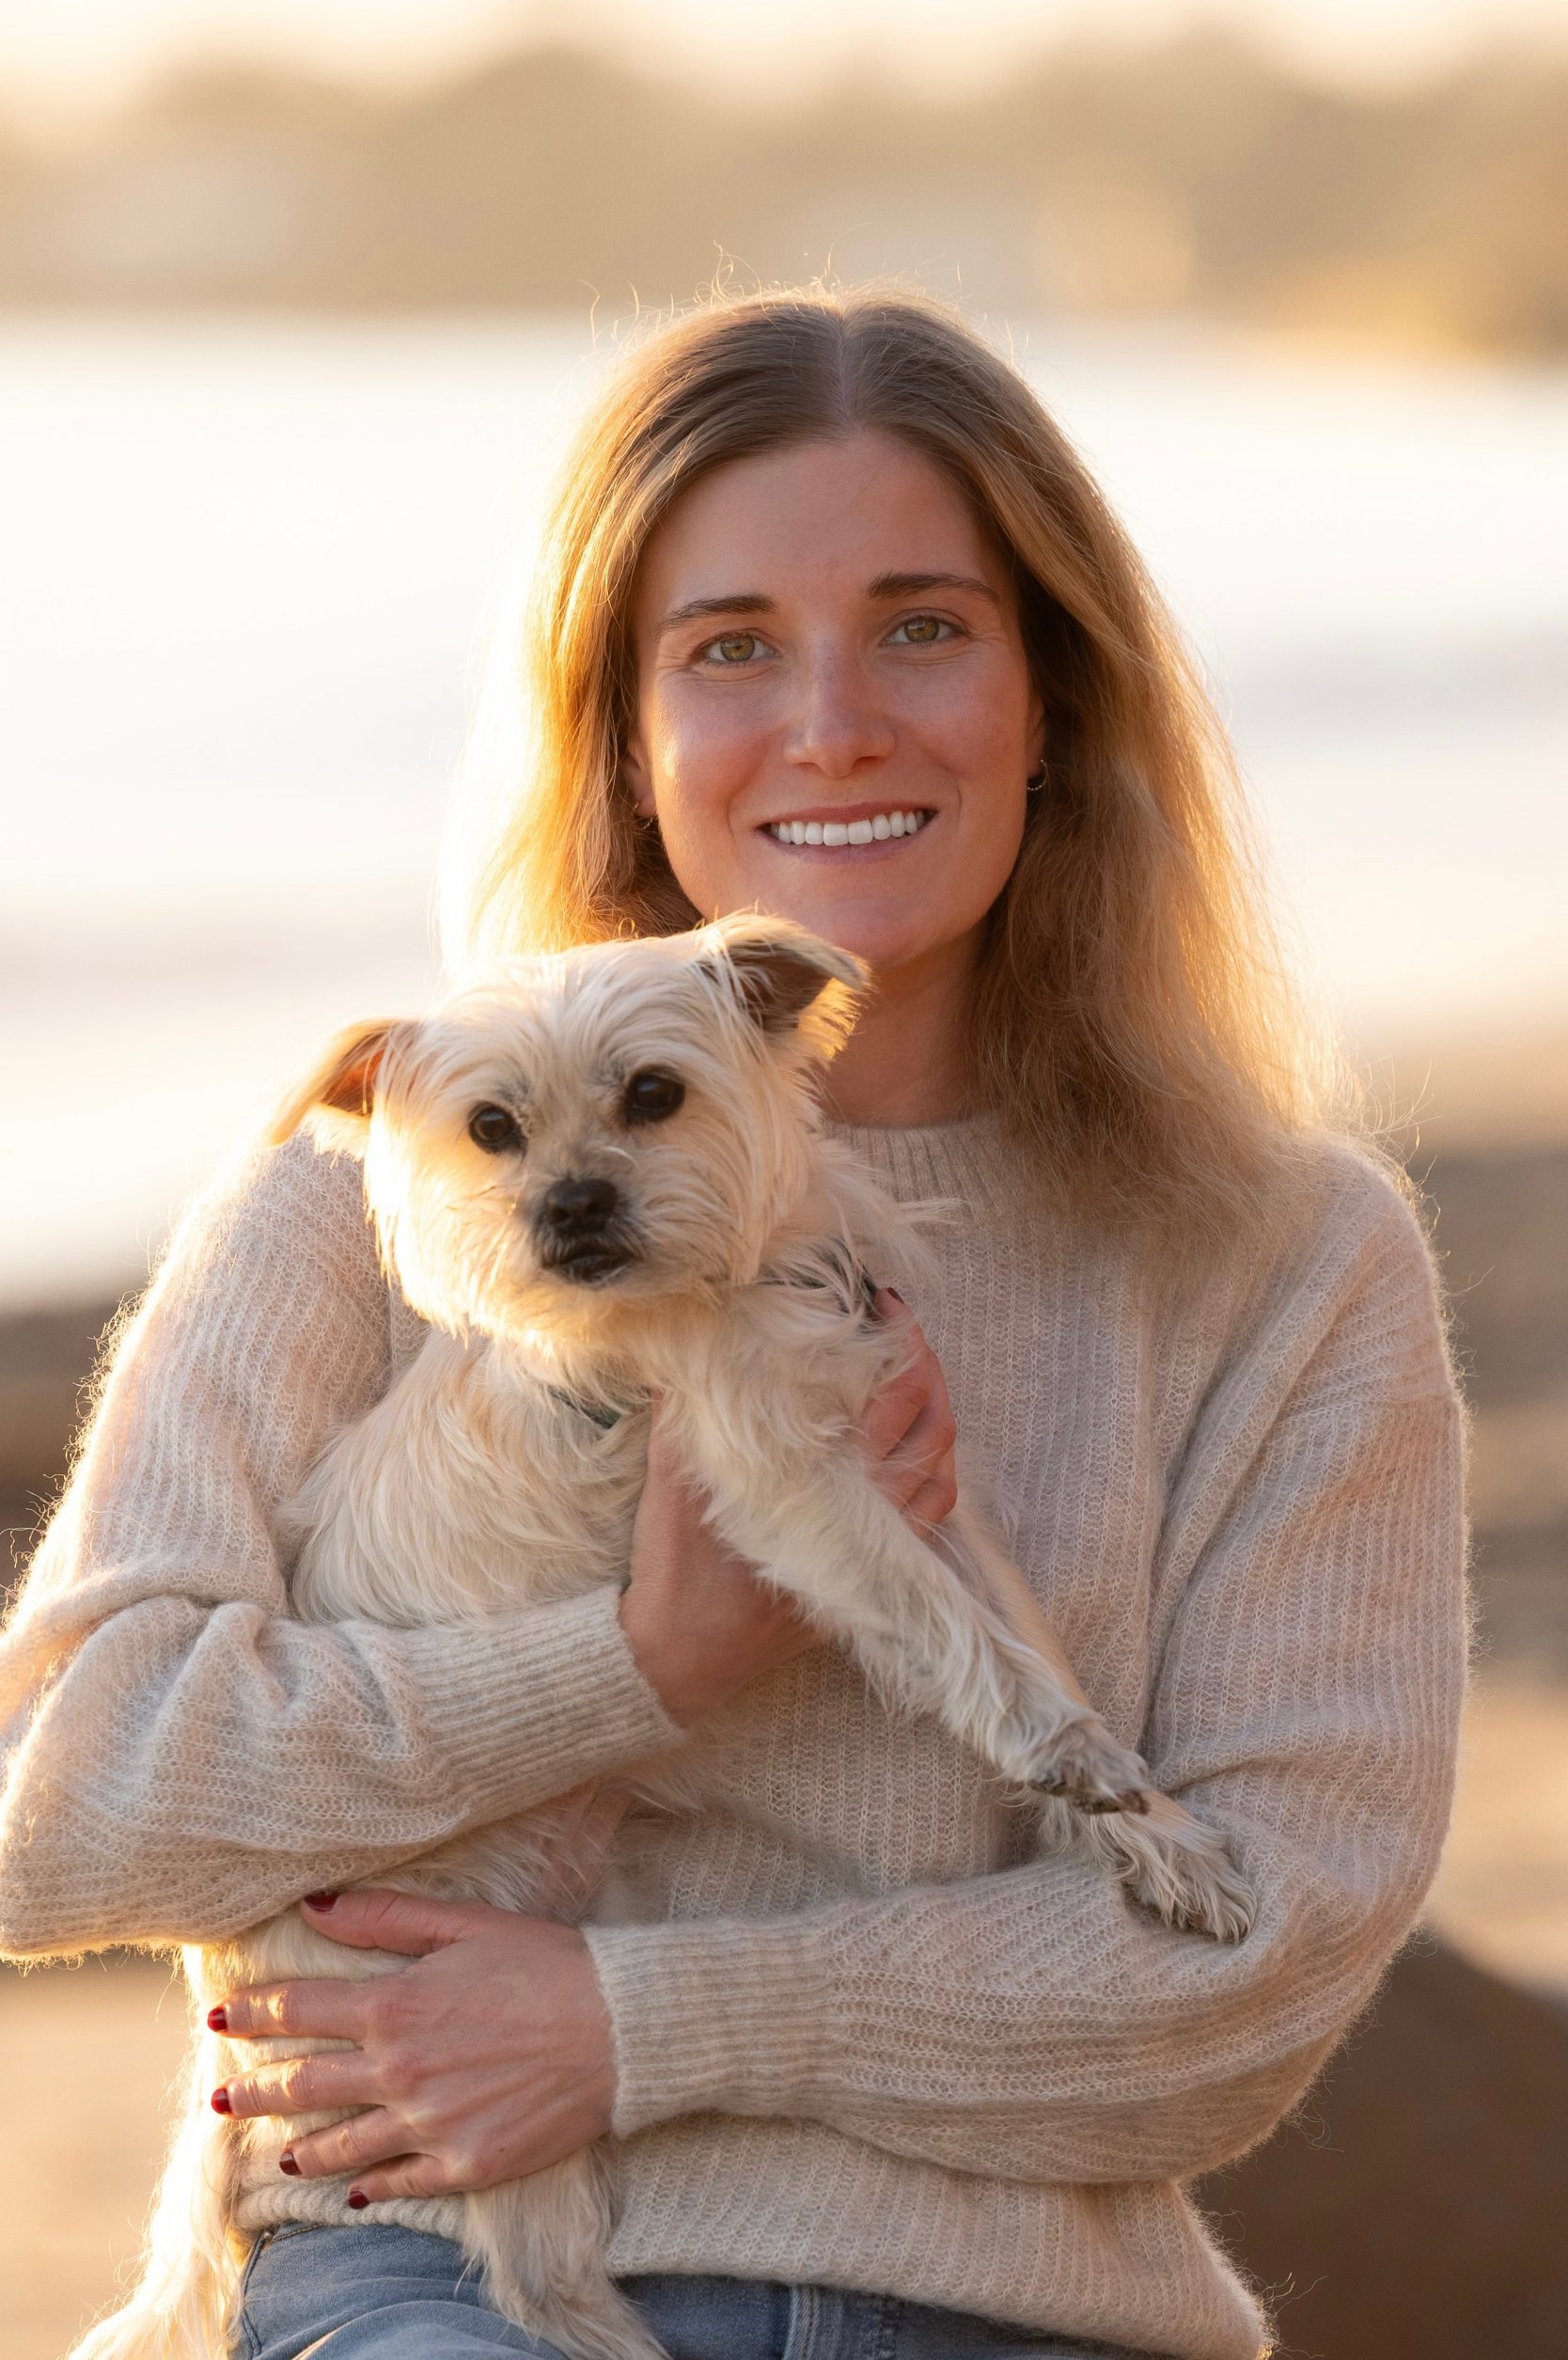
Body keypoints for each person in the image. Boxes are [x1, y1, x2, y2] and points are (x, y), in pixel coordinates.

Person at [0, 290, 1466, 2360]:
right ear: (620, 733)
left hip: (1012, 2308)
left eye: (925, 627)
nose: (835, 723)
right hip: (441, 2275)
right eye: (730, 647)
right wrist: (631, 1663)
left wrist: (641, 2021)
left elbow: (1254, 1969)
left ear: (1056, 697)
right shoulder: (376, 1186)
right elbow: (51, 1816)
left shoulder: (1288, 1257)